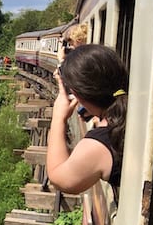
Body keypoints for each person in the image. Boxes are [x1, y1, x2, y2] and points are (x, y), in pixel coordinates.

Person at [47, 44, 128, 194]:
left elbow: (58, 178)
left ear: (78, 96)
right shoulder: (135, 110)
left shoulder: (98, 145)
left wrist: (58, 118)